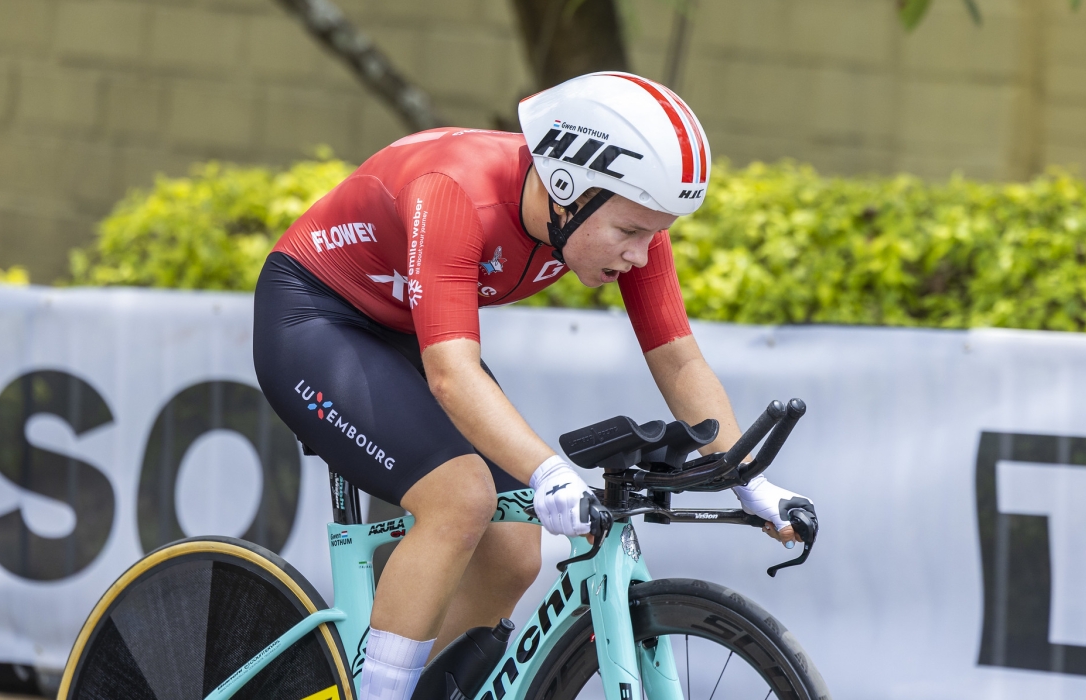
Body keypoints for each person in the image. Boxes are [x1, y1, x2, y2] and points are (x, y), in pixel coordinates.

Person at [252, 71, 816, 700]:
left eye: (656, 233)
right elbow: (451, 373)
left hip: (407, 328)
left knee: (515, 551)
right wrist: (550, 472)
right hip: (316, 318)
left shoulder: (615, 212)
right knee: (459, 498)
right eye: (631, 232)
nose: (642, 253)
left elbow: (679, 360)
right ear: (567, 189)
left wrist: (747, 478)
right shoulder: (454, 194)